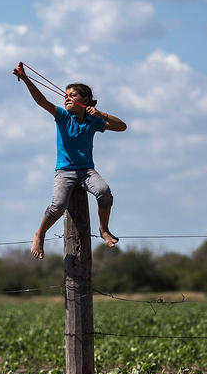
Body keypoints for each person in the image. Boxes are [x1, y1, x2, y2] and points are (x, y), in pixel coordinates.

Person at [13, 62, 127, 259]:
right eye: (65, 95)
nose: (67, 98)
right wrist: (25, 79)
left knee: (104, 192)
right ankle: (39, 234)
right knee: (58, 206)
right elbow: (42, 101)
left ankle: (104, 229)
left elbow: (121, 127)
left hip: (86, 170)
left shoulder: (94, 121)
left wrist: (101, 114)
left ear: (86, 100)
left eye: (72, 95)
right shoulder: (63, 116)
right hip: (65, 171)